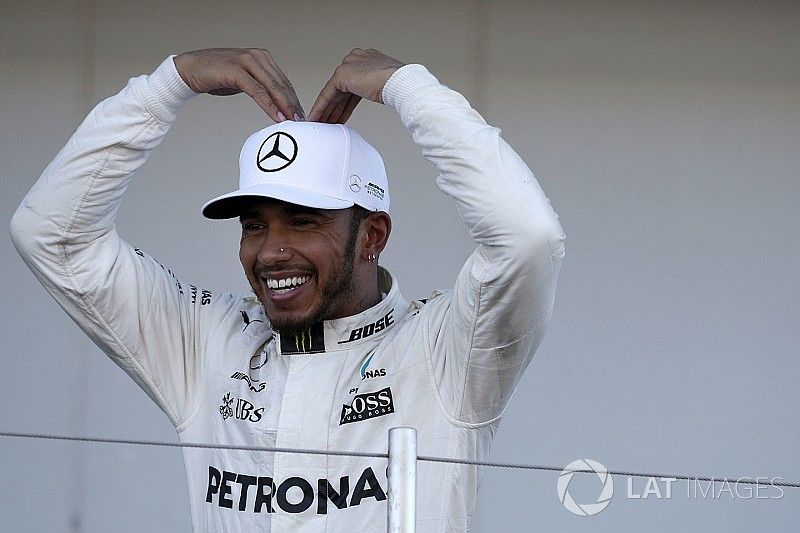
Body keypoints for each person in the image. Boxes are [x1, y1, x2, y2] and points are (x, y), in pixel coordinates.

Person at [11, 47, 565, 532]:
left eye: (303, 221)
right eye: (254, 224)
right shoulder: (207, 340)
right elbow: (52, 235)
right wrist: (166, 86)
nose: (271, 250)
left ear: (373, 234)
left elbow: (528, 237)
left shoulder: (446, 349)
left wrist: (408, 87)